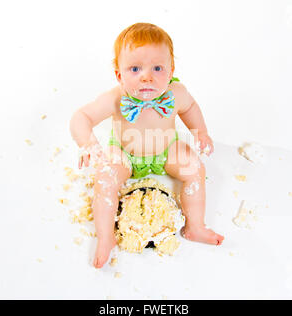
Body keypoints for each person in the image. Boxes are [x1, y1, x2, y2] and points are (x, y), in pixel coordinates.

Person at [70, 22, 224, 269]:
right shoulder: (116, 97)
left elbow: (190, 108)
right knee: (105, 178)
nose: (146, 76)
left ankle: (195, 226)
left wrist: (201, 132)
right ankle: (106, 236)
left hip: (165, 150)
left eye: (157, 68)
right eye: (134, 68)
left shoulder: (176, 94)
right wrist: (88, 143)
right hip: (125, 152)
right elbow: (81, 117)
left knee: (195, 168)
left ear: (171, 69)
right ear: (119, 74)